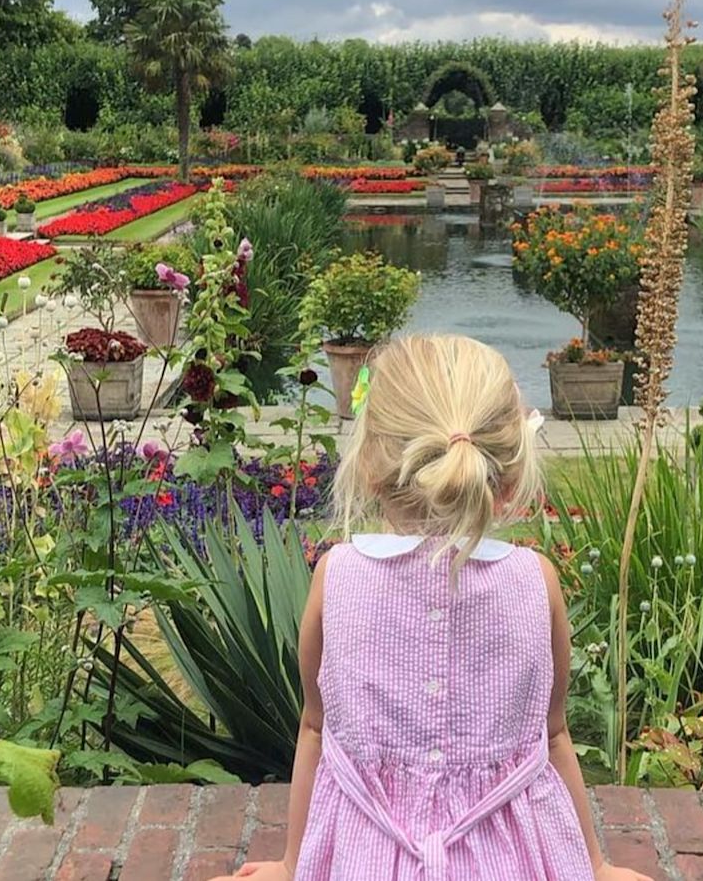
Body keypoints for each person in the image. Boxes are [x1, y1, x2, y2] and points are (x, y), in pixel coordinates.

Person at [211, 335, 651, 881]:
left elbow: (316, 729)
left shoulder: (338, 576)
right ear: (508, 479)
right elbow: (553, 734)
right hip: (514, 859)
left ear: (372, 466)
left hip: (362, 858)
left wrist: (292, 864)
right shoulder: (536, 582)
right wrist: (595, 864)